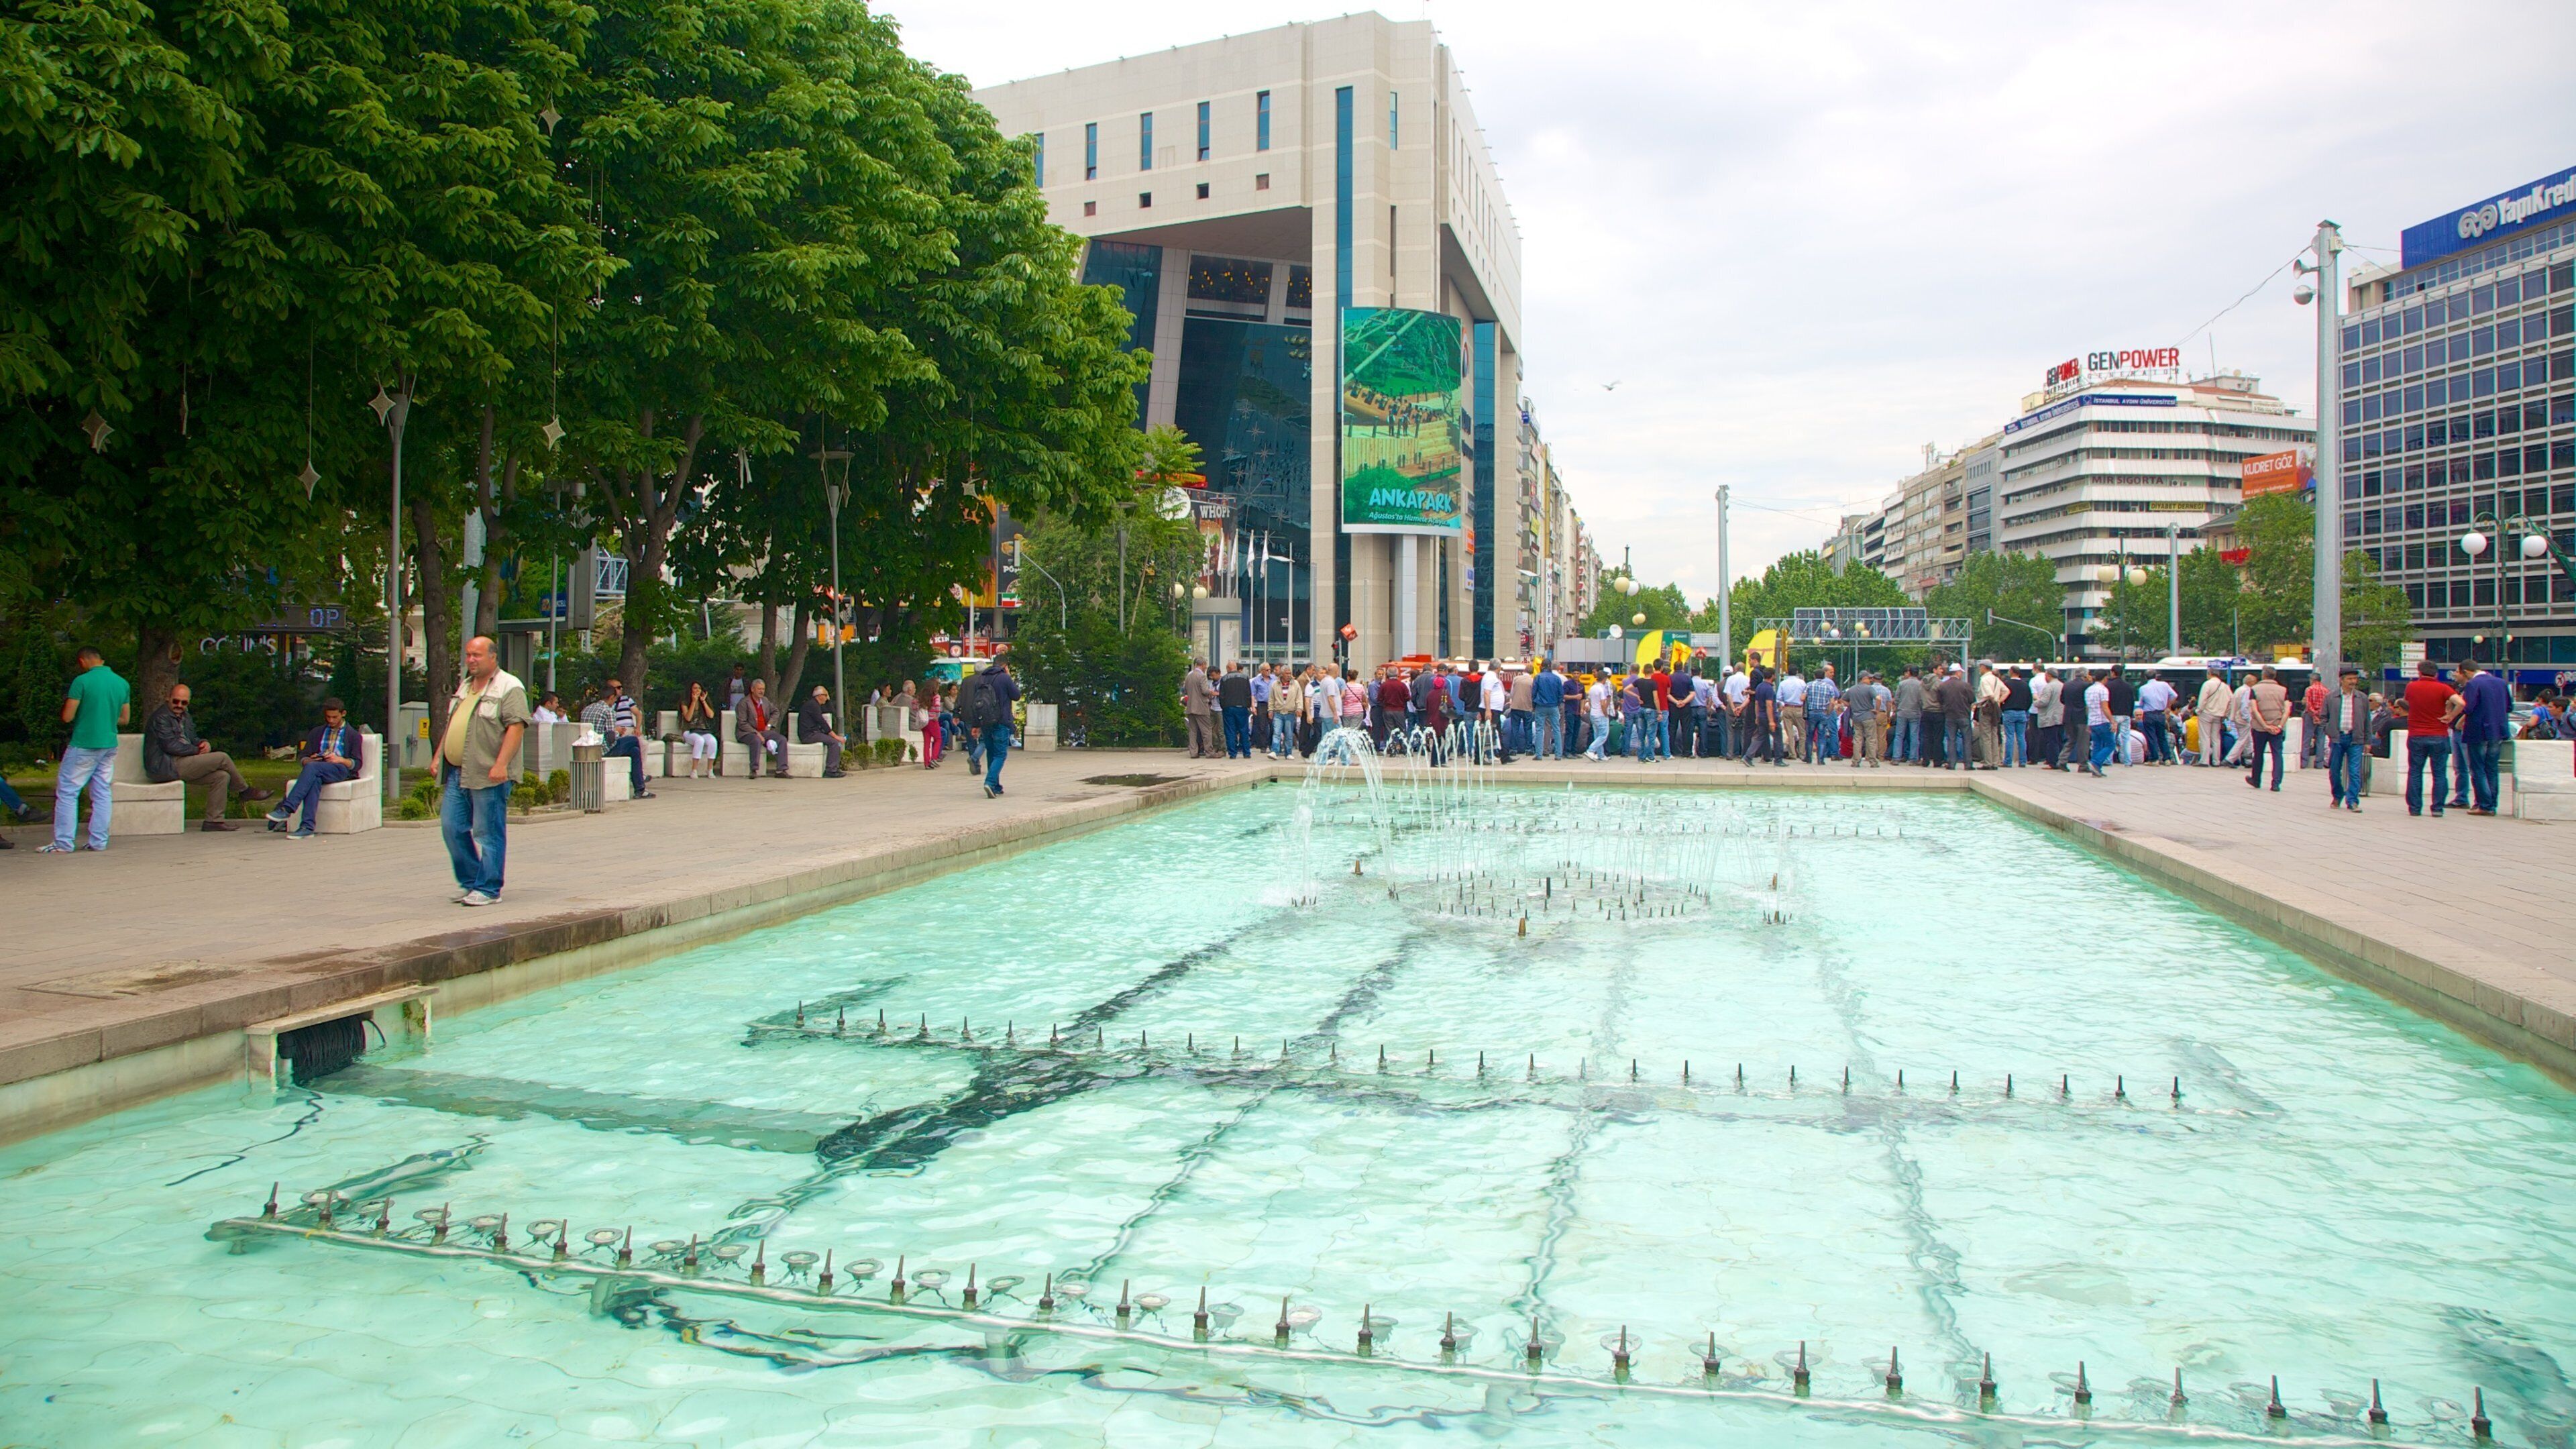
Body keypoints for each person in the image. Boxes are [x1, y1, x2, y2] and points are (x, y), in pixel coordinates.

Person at [440, 635, 529, 906]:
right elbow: (454, 724)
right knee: (451, 826)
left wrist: (501, 764)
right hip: (458, 771)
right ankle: (471, 883)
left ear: (493, 657)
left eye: (477, 655)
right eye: (468, 655)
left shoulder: (509, 686)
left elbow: (516, 726)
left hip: (488, 772)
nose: (471, 660)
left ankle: (489, 888)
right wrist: (437, 757)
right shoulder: (466, 687)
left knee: (487, 831)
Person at [143, 682, 272, 831]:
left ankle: (214, 822)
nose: (179, 705)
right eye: (176, 701)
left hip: (182, 762)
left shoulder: (185, 717)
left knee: (221, 776)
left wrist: (204, 744)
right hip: (166, 765)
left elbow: (193, 738)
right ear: (168, 698)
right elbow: (170, 746)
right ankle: (245, 791)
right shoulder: (161, 717)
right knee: (222, 758)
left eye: (184, 702)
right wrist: (197, 750)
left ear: (188, 703)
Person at [43, 645, 131, 853]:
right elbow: (125, 719)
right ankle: (99, 841)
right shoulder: (122, 683)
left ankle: (63, 843)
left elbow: (67, 716)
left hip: (84, 743)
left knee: (68, 791)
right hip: (109, 745)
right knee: (101, 792)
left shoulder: (81, 681)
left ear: (82, 661)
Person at [266, 698, 364, 838]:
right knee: (314, 779)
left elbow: (357, 763)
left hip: (339, 769)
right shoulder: (317, 732)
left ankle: (287, 808)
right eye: (328, 717)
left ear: (343, 714)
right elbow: (303, 757)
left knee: (313, 769)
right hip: (318, 768)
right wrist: (310, 760)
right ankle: (307, 826)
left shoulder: (353, 735)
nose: (331, 720)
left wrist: (340, 759)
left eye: (335, 717)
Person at [2401, 659, 2461, 817]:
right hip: (2438, 735)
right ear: (2436, 673)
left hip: (2416, 735)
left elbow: (2407, 702)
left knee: (2415, 772)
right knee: (2439, 773)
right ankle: (2437, 808)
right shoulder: (2443, 688)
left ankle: (2415, 808)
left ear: (2419, 672)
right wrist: (2451, 716)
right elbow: (2461, 702)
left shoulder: (2412, 687)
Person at [2457, 661, 2513, 816]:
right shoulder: (2501, 682)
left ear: (2467, 672)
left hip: (2478, 731)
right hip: (2498, 730)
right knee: (2492, 768)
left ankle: (2485, 805)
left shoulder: (2473, 684)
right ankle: (2492, 803)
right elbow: (2510, 707)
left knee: (2478, 768)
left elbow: (2469, 707)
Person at [599, 677, 654, 799]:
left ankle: (640, 785)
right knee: (635, 742)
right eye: (617, 688)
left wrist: (638, 728)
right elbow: (610, 736)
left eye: (621, 687)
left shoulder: (626, 700)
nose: (621, 690)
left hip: (628, 730)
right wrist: (617, 731)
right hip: (611, 741)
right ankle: (640, 781)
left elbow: (638, 713)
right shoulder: (608, 709)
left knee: (637, 748)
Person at [2324, 665, 2369, 812]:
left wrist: (2368, 740)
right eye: (2349, 679)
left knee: (2355, 771)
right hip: (2337, 738)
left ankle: (2353, 801)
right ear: (2342, 680)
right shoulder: (2331, 697)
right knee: (2335, 770)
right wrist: (2329, 730)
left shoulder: (2361, 698)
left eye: (2355, 679)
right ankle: (2337, 795)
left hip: (2355, 738)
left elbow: (2367, 720)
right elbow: (2324, 717)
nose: (2353, 682)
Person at [2244, 665, 2292, 792]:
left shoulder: (2255, 689)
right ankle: (2276, 783)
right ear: (2275, 676)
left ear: (2263, 675)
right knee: (2277, 754)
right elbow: (2287, 710)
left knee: (2258, 754)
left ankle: (2256, 780)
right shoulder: (2283, 690)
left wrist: (2264, 725)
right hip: (2277, 727)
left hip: (2260, 728)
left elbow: (2254, 709)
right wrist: (2280, 726)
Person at [735, 678, 789, 778]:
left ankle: (781, 770)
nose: (761, 691)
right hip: (746, 733)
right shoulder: (744, 703)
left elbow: (776, 712)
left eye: (763, 689)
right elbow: (742, 723)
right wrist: (756, 733)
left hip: (764, 731)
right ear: (752, 689)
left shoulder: (765, 701)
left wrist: (769, 725)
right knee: (756, 740)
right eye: (759, 689)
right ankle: (754, 770)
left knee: (782, 739)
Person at [798, 685, 847, 777]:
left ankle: (833, 768)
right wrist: (836, 737)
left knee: (834, 742)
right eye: (826, 695)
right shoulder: (812, 705)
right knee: (834, 743)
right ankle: (831, 770)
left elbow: (831, 710)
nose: (827, 698)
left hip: (813, 733)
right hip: (809, 735)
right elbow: (822, 723)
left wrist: (828, 701)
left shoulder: (815, 704)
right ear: (820, 696)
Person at [1934, 664, 1973, 771]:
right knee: (1967, 739)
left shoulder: (1943, 686)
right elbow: (1972, 699)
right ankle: (1968, 764)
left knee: (1951, 739)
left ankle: (1951, 763)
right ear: (1958, 673)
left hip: (1950, 715)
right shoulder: (1965, 685)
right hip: (1964, 715)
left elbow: (1940, 700)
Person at [1847, 669, 1889, 767]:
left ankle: (1856, 761)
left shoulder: (1852, 689)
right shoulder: (1869, 688)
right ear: (1864, 678)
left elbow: (1842, 700)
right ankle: (1873, 762)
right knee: (1871, 739)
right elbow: (1878, 698)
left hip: (1856, 717)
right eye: (1869, 678)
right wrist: (1877, 710)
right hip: (1868, 716)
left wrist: (1852, 706)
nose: (1871, 680)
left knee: (1857, 739)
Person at [678, 682, 720, 779]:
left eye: (699, 689)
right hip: (689, 731)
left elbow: (711, 715)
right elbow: (688, 718)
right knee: (699, 741)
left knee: (713, 741)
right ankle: (694, 770)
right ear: (691, 690)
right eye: (695, 688)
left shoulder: (703, 702)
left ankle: (710, 769)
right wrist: (693, 702)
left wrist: (703, 702)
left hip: (703, 730)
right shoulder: (685, 703)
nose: (697, 690)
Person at [2194, 665, 2231, 767]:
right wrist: (2226, 713)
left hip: (2206, 713)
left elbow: (2202, 699)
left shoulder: (2207, 684)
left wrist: (2199, 710)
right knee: (2216, 738)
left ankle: (2204, 761)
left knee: (2205, 737)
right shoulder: (2225, 686)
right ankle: (2216, 761)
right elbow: (2231, 700)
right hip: (2219, 715)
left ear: (2209, 674)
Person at [2137, 673, 2177, 765]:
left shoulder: (2143, 688)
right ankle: (2167, 759)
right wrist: (2168, 706)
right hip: (2161, 713)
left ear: (2145, 677)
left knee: (2151, 737)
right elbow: (2174, 695)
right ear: (2155, 677)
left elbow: (2141, 703)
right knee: (2162, 736)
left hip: (2149, 714)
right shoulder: (2164, 685)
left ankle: (2154, 759)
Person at [1217, 662, 1254, 759]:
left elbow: (1222, 695)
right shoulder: (1245, 678)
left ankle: (1233, 753)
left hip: (1228, 708)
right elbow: (1248, 693)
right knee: (1244, 730)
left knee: (1230, 730)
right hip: (1242, 707)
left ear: (1229, 668)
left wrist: (1223, 706)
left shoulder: (1224, 679)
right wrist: (1248, 705)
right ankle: (1247, 753)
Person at [2031, 667, 2065, 770]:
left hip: (2050, 717)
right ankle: (2060, 760)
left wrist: (2035, 702)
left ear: (2049, 675)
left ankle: (2052, 762)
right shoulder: (2062, 685)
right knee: (2059, 740)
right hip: (2060, 716)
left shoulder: (2049, 687)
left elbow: (2044, 702)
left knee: (2051, 741)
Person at [2083, 667, 2115, 777]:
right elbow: (2105, 707)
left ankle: (2096, 769)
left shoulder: (2088, 690)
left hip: (2092, 721)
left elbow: (2088, 708)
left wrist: (2089, 722)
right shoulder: (2103, 690)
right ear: (2105, 678)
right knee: (2110, 744)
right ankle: (2095, 763)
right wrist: (2112, 721)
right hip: (2102, 721)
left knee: (2097, 745)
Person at [1532, 659, 1566, 759]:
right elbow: (1561, 694)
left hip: (1540, 706)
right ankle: (1558, 755)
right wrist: (1557, 704)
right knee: (1557, 729)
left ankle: (1539, 754)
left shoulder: (1538, 677)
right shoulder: (1557, 678)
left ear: (1542, 666)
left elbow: (1534, 693)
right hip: (1553, 706)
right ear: (1550, 666)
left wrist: (1534, 705)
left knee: (1539, 730)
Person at [1891, 665, 1925, 765]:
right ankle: (1914, 758)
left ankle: (1896, 758)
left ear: (1909, 672)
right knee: (1914, 736)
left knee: (1899, 735)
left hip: (1902, 712)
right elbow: (1922, 700)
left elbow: (1896, 699)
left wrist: (1898, 707)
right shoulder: (1921, 685)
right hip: (1915, 712)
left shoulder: (1902, 684)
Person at [1183, 661, 1216, 758]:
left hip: (1190, 706)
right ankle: (1209, 752)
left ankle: (1193, 752)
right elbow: (1205, 691)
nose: (1206, 668)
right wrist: (1211, 692)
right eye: (1205, 665)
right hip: (1201, 707)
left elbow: (1186, 690)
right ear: (1202, 665)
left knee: (1192, 731)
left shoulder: (1189, 676)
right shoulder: (1202, 676)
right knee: (1206, 730)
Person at [2000, 667, 2033, 767]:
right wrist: (2025, 709)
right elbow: (2029, 700)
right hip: (2022, 712)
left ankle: (2008, 761)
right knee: (2021, 737)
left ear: (2012, 672)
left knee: (2009, 737)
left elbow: (2002, 697)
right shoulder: (2025, 685)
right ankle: (2023, 761)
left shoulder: (2007, 684)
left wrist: (2003, 708)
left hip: (2009, 712)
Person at [1775, 664, 1807, 762]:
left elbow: (1778, 698)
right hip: (1799, 709)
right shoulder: (1802, 683)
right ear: (1797, 672)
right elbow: (1805, 695)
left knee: (1790, 733)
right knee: (1802, 733)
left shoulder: (1783, 683)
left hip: (1787, 708)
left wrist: (1783, 704)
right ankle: (1802, 754)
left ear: (1788, 672)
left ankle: (1792, 753)